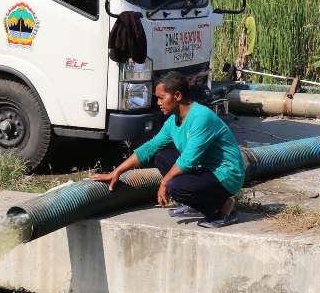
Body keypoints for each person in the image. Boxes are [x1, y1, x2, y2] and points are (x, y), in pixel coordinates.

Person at [93, 71, 245, 228]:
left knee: (175, 187)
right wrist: (116, 172)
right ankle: (195, 203)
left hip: (226, 175)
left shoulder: (201, 117)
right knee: (162, 157)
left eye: (161, 97)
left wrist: (164, 183)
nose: (158, 102)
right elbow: (150, 148)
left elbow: (188, 160)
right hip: (205, 170)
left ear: (177, 96)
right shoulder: (173, 121)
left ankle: (224, 208)